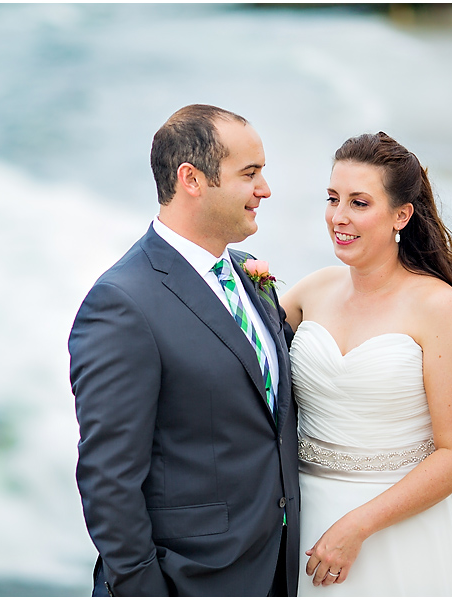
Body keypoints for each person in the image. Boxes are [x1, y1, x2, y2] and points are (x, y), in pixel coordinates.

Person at [69, 104, 300, 596]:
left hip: (278, 570)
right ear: (192, 179)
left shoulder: (247, 274)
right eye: (250, 174)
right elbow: (108, 480)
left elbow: (275, 411)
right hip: (191, 579)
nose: (265, 190)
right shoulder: (122, 303)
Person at [280, 132, 452, 596]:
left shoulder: (439, 308)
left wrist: (355, 528)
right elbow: (241, 368)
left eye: (359, 203)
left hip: (396, 530)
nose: (338, 217)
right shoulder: (311, 291)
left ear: (401, 215)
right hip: (304, 523)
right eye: (332, 198)